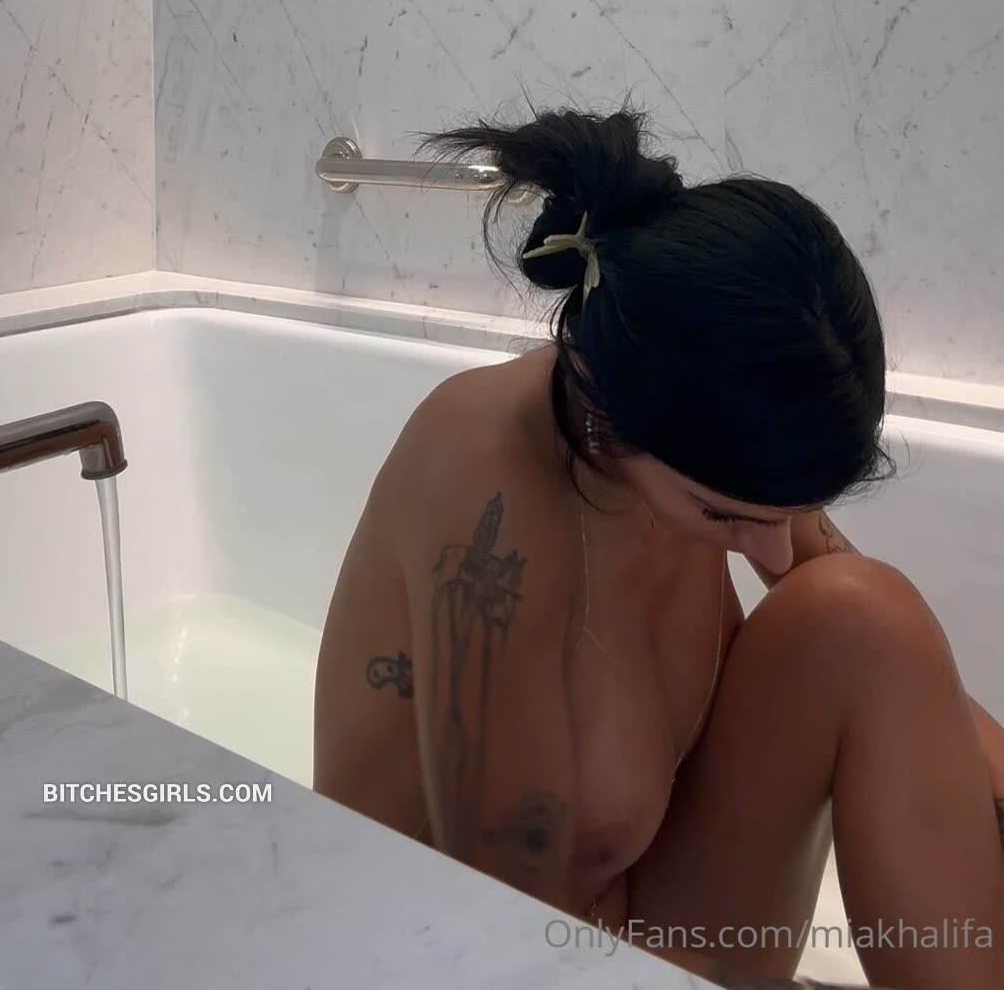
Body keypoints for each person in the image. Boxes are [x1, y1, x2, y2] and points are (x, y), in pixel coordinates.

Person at [313, 105, 1004, 988]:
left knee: (861, 610)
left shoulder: (702, 440)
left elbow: (903, 680)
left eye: (792, 513)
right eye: (723, 516)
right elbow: (508, 929)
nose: (773, 554)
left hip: (631, 917)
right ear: (603, 408)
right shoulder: (488, 504)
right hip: (467, 953)